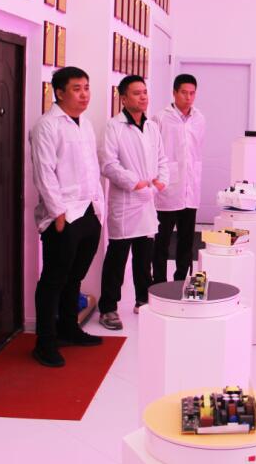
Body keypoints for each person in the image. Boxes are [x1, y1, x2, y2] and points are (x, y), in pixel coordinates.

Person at [30, 66, 105, 368]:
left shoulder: (85, 124)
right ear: (59, 92)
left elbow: (91, 168)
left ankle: (69, 328)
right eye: (77, 88)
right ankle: (45, 342)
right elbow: (44, 172)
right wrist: (57, 212)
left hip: (88, 210)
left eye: (86, 88)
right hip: (63, 215)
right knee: (53, 280)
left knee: (75, 276)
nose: (84, 94)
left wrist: (98, 208)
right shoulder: (47, 126)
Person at [98, 75, 168, 329]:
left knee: (144, 257)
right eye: (137, 93)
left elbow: (162, 159)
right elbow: (108, 164)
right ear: (124, 98)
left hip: (147, 201)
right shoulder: (113, 127)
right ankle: (108, 308)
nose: (143, 97)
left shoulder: (151, 127)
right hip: (126, 202)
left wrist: (160, 182)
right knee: (117, 259)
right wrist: (136, 183)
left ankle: (143, 300)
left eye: (145, 92)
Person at [152, 74, 206, 283]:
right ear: (174, 93)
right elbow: (155, 152)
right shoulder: (160, 118)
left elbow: (197, 150)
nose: (188, 97)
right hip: (167, 188)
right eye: (184, 92)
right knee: (162, 240)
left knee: (186, 239)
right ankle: (159, 282)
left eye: (192, 93)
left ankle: (181, 280)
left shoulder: (199, 118)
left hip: (190, 188)